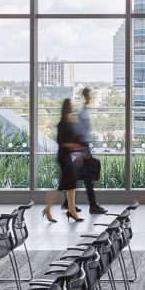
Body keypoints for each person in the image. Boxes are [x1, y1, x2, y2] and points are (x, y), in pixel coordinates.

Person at [45, 99, 84, 223]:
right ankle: (50, 209)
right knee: (64, 185)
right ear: (67, 107)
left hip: (67, 156)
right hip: (64, 157)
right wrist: (74, 146)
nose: (72, 106)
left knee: (70, 185)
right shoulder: (62, 124)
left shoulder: (67, 121)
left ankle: (71, 210)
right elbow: (61, 142)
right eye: (70, 105)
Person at [71, 87, 108, 215]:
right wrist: (81, 152)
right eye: (88, 95)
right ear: (85, 96)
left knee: (80, 176)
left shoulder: (85, 111)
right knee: (87, 177)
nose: (90, 98)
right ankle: (92, 204)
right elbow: (79, 133)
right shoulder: (82, 112)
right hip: (83, 147)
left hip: (84, 146)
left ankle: (69, 203)